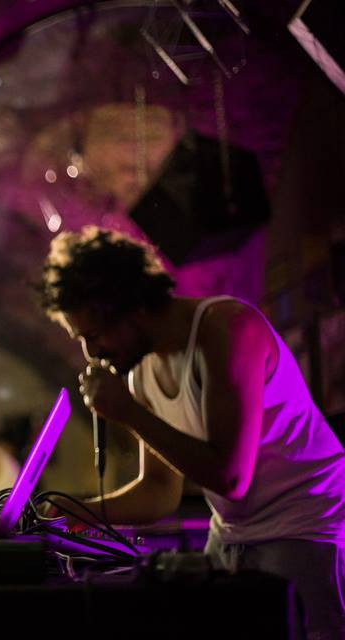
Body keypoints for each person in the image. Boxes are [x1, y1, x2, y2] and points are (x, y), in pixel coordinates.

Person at [39, 226, 345, 639]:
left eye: (92, 335)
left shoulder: (227, 329)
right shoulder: (141, 372)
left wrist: (129, 413)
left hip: (306, 528)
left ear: (132, 305)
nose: (91, 352)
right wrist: (80, 511)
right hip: (232, 536)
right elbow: (159, 490)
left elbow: (231, 478)